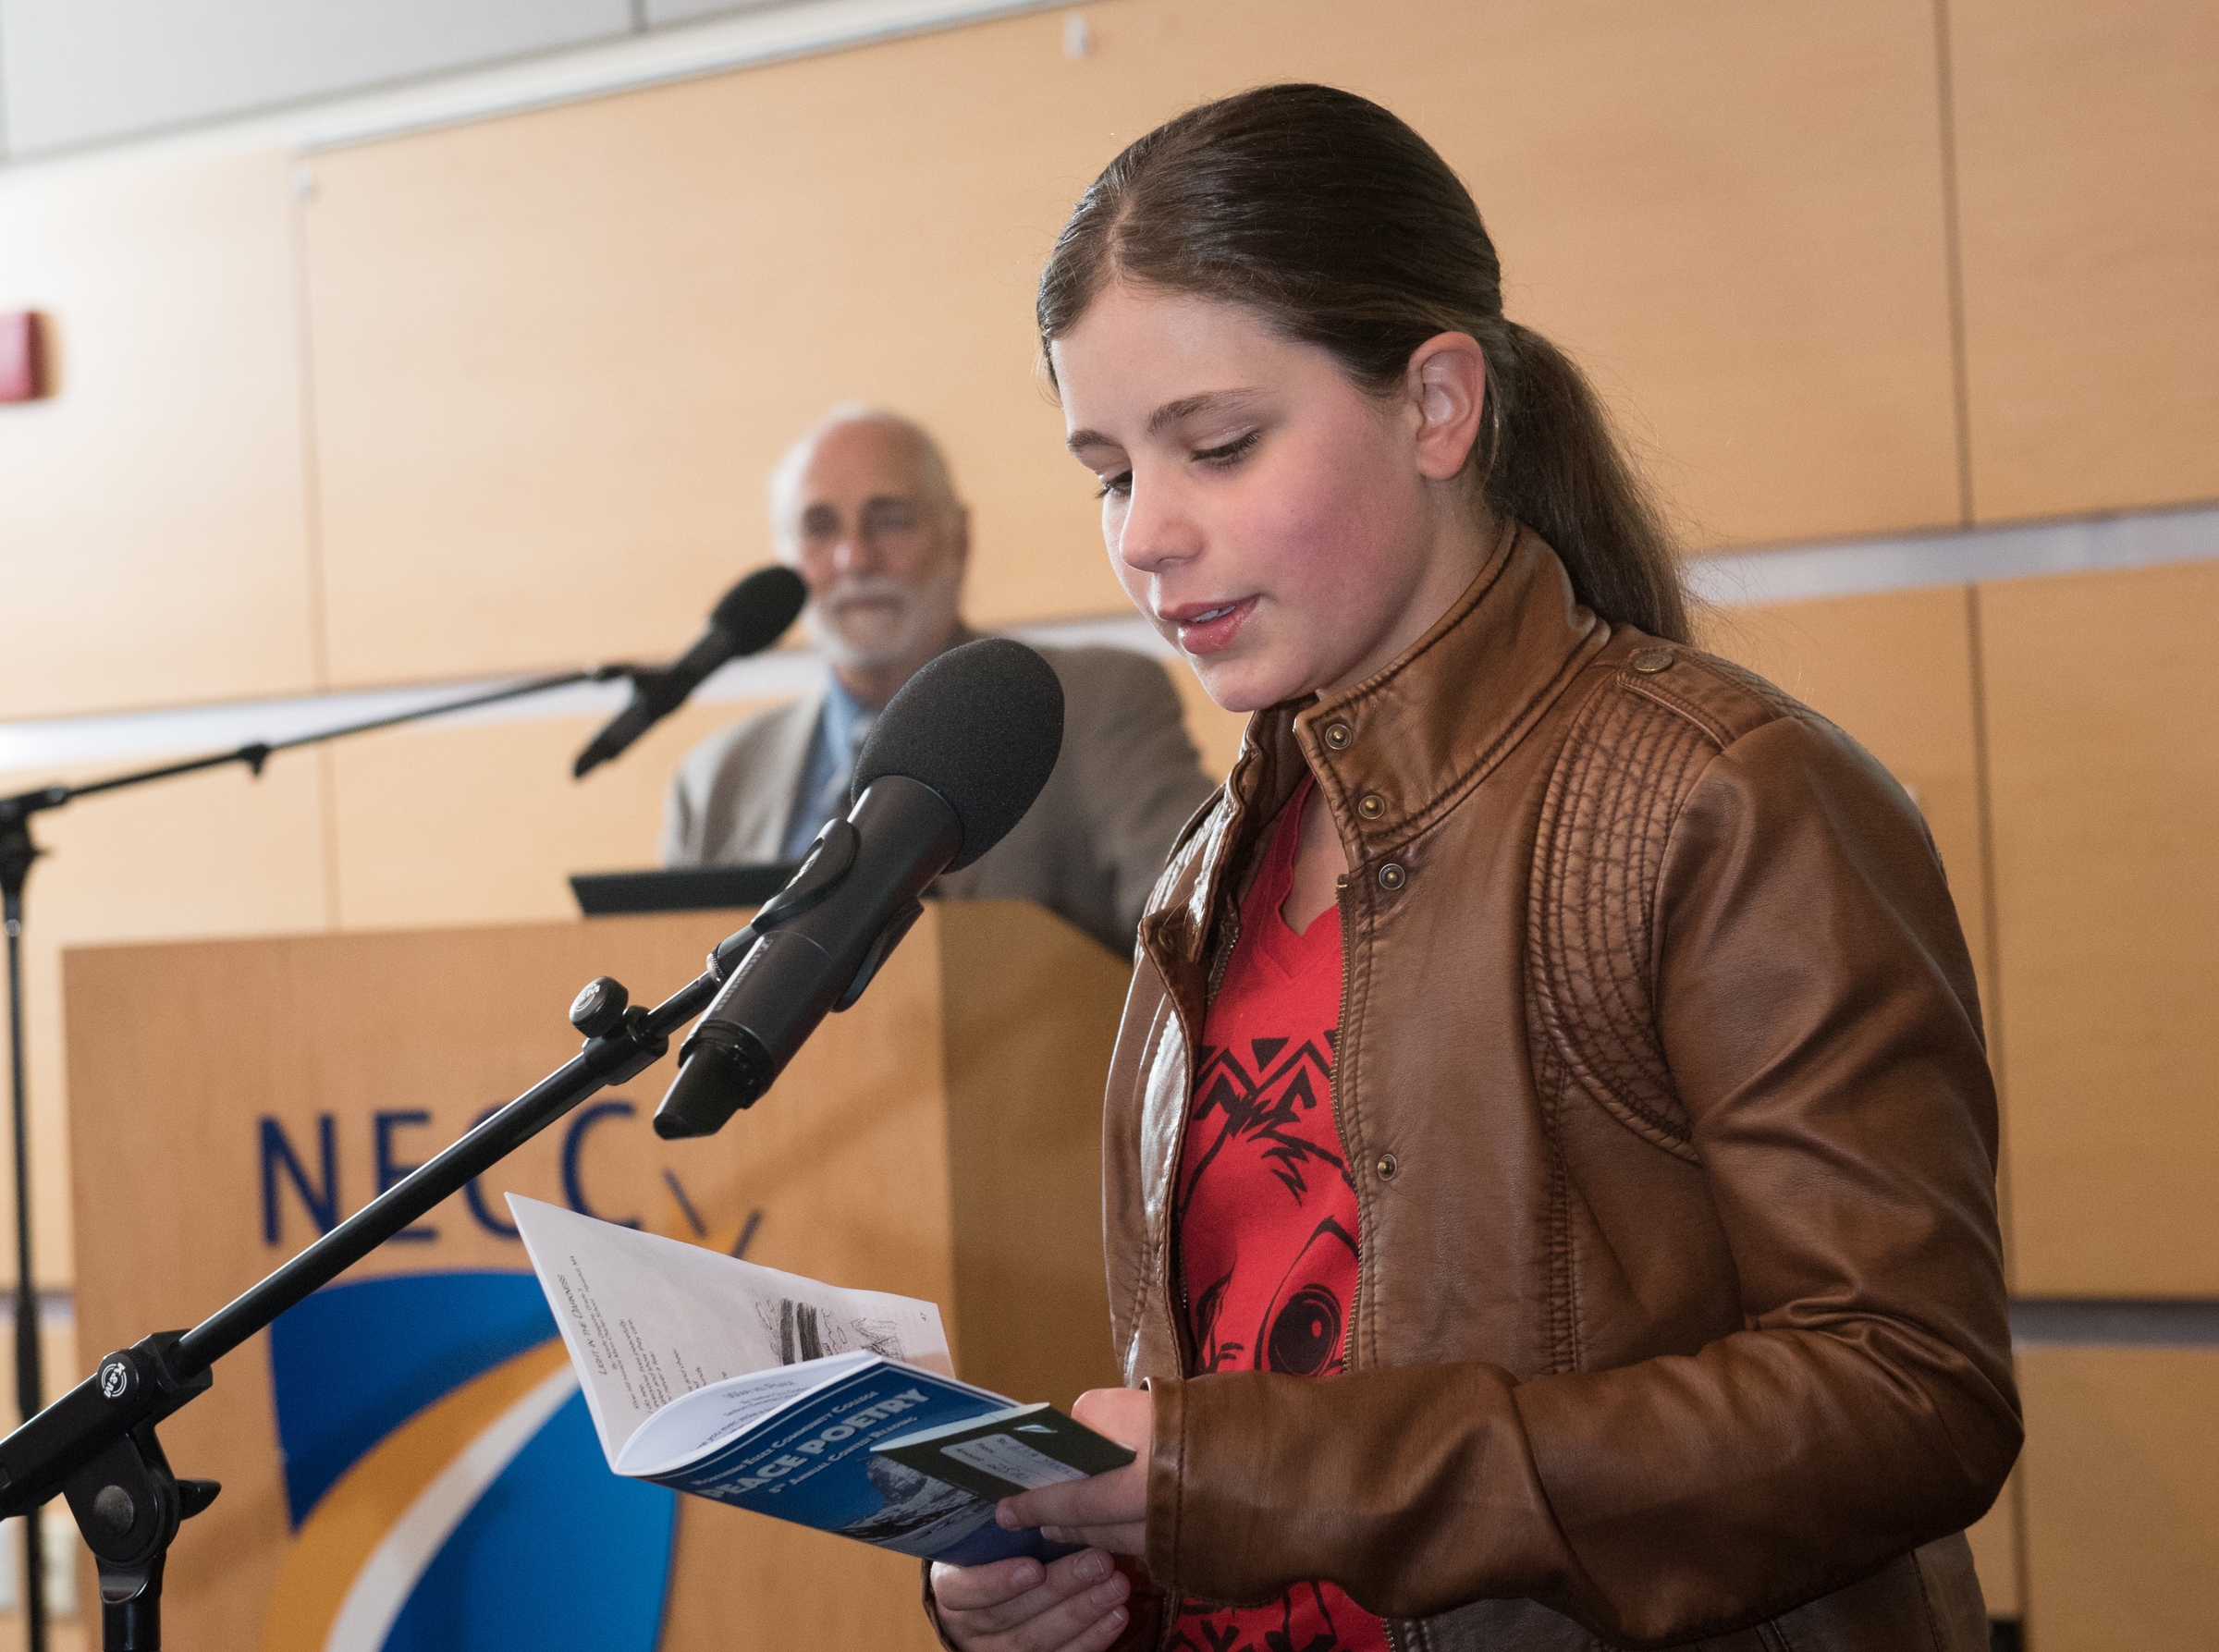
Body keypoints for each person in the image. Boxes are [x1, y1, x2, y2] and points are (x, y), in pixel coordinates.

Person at [926, 84, 2017, 1652]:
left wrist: (1265, 1478)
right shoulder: (1211, 864)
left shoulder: (1726, 796)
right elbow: (1239, 1405)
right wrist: (1079, 1568)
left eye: (1218, 446)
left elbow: (1912, 1393)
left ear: (1439, 406)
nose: (1146, 534)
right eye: (1109, 471)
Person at [661, 407, 1215, 956]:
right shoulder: (713, 779)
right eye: (819, 527)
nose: (854, 557)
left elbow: (1193, 927)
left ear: (959, 537)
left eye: (890, 520)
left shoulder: (1092, 700)